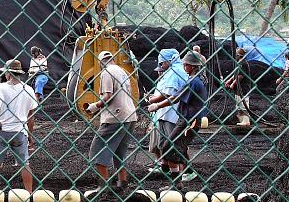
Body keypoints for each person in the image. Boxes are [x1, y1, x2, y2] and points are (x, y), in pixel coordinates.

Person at [147, 50, 207, 189]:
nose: (184, 66)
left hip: (189, 121)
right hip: (186, 119)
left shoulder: (194, 81)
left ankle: (176, 182)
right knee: (174, 147)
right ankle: (178, 179)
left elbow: (175, 97)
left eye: (186, 64)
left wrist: (156, 105)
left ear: (192, 66)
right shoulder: (194, 80)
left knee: (171, 147)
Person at [85, 51, 138, 192]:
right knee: (119, 152)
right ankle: (122, 183)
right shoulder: (123, 71)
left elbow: (107, 96)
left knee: (97, 151)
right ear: (113, 59)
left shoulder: (106, 72)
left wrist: (95, 106)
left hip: (115, 118)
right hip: (130, 116)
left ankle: (103, 186)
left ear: (101, 62)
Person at [0, 59, 37, 193]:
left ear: (8, 74)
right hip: (20, 131)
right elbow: (31, 115)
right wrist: (30, 135)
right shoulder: (29, 89)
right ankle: (29, 193)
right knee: (24, 164)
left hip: (2, 130)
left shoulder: (2, 87)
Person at [145, 49, 189, 178]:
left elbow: (169, 94)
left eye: (162, 63)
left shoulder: (175, 72)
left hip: (172, 114)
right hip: (165, 113)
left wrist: (154, 101)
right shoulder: (170, 72)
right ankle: (167, 168)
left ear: (170, 61)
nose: (160, 66)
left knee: (173, 144)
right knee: (164, 144)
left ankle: (184, 171)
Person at [225, 47, 252, 127]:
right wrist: (229, 81)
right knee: (239, 104)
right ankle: (242, 120)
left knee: (243, 105)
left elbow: (240, 76)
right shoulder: (239, 63)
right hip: (239, 89)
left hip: (243, 88)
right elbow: (235, 75)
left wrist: (233, 84)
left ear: (238, 55)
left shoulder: (243, 63)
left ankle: (246, 121)